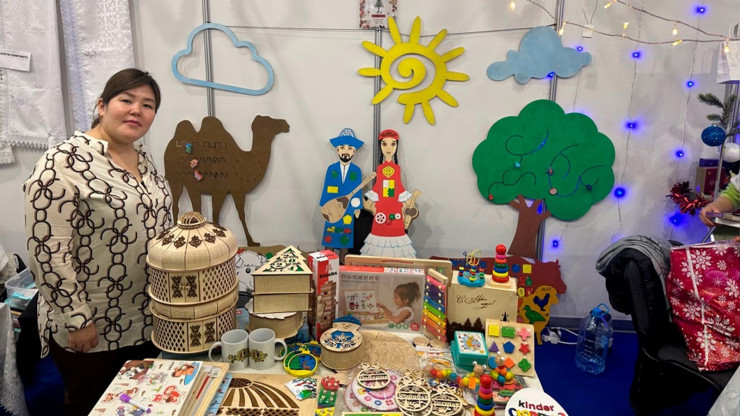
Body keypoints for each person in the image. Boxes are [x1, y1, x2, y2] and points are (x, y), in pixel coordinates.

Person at [23, 68, 172, 415]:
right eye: (127, 100)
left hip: (146, 317)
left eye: (148, 105)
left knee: (140, 403)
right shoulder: (62, 163)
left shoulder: (144, 159)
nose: (137, 110)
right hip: (95, 325)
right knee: (92, 405)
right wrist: (77, 319)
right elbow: (47, 252)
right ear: (102, 105)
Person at [361, 128, 417, 258]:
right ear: (380, 146)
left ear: (396, 146)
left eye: (393, 144)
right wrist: (372, 197)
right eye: (384, 144)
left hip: (394, 202)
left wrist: (405, 197)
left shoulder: (396, 168)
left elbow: (398, 184)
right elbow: (379, 185)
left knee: (395, 224)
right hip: (382, 202)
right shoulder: (380, 168)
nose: (388, 148)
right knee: (380, 225)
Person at [319, 128, 365, 256]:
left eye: (349, 148)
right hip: (331, 206)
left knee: (346, 234)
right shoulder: (331, 169)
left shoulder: (356, 171)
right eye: (342, 148)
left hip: (349, 207)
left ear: (354, 151)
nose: (346, 151)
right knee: (330, 233)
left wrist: (357, 207)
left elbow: (358, 190)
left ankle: (343, 258)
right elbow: (326, 187)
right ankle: (328, 257)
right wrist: (323, 204)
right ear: (338, 150)